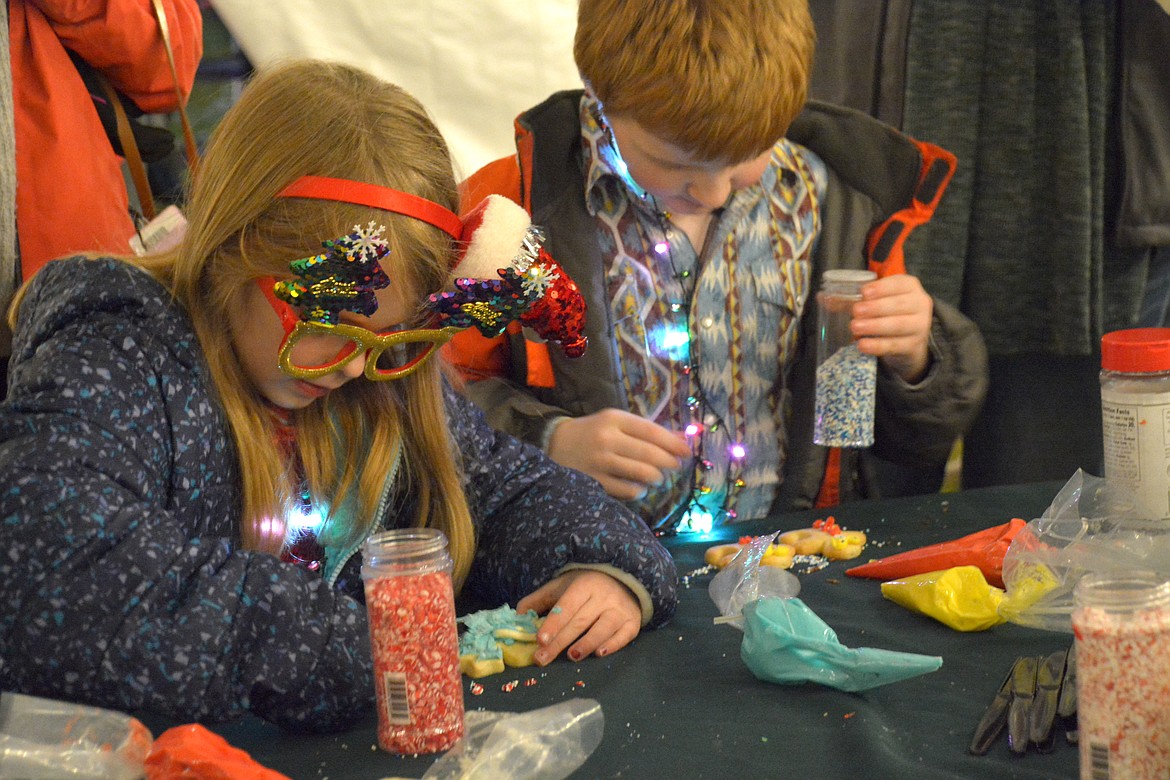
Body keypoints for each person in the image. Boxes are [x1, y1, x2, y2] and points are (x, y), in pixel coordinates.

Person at [0, 59, 677, 732]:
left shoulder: (382, 378)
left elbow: (505, 489)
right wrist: (339, 646)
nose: (355, 367)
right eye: (326, 328)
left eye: (388, 338)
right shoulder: (117, 354)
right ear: (230, 250)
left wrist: (604, 567)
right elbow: (47, 564)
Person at [448, 0, 989, 531]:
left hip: (795, 554)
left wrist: (917, 360)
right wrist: (550, 441)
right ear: (599, 92)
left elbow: (898, 434)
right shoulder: (514, 209)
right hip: (595, 565)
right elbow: (430, 393)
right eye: (674, 163)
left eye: (744, 159)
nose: (711, 190)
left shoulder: (844, 208)